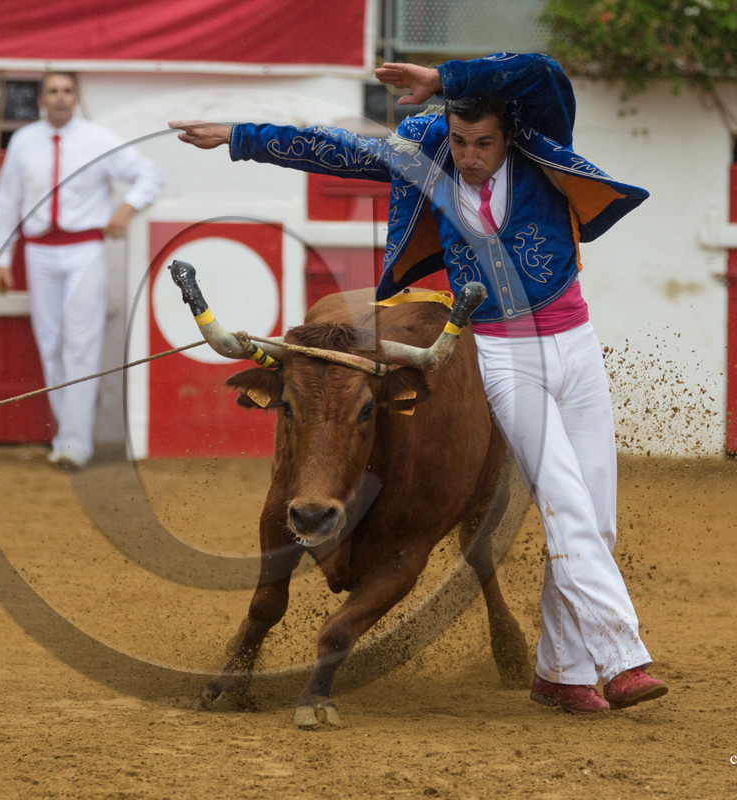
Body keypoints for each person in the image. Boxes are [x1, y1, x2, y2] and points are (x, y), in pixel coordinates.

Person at [170, 53, 667, 713]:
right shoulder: (429, 152)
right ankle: (623, 660)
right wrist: (240, 137)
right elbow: (340, 151)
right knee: (567, 506)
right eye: (459, 141)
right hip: (502, 351)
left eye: (483, 142)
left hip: (575, 344)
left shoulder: (543, 138)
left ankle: (561, 671)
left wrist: (445, 79)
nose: (469, 155)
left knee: (593, 523)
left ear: (509, 134)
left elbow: (542, 71)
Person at [0, 72, 164, 470]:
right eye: (53, 91)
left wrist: (127, 207)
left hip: (85, 249)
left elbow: (149, 175)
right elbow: (7, 202)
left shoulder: (98, 138)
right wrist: (1, 258)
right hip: (38, 252)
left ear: (77, 97)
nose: (60, 98)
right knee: (50, 343)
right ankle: (67, 439)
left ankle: (74, 445)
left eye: (67, 91)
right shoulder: (23, 141)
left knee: (81, 344)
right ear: (41, 99)